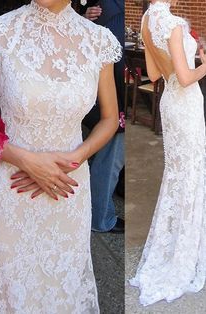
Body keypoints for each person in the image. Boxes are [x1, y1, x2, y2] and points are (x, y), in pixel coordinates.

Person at [0, 0, 122, 312]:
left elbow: (110, 118)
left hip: (68, 187)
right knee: (13, 291)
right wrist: (23, 158)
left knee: (62, 288)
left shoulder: (99, 40)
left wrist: (78, 156)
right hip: (13, 190)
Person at [129, 0, 206, 306]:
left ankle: (177, 242)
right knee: (191, 172)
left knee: (178, 174)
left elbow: (153, 72)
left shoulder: (148, 19)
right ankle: (186, 250)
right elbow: (187, 79)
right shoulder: (173, 24)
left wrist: (189, 60)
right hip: (185, 104)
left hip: (169, 104)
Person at [80, 0, 125, 233]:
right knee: (110, 158)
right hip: (105, 93)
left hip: (113, 89)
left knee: (112, 155)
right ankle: (100, 217)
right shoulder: (101, 6)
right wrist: (83, 16)